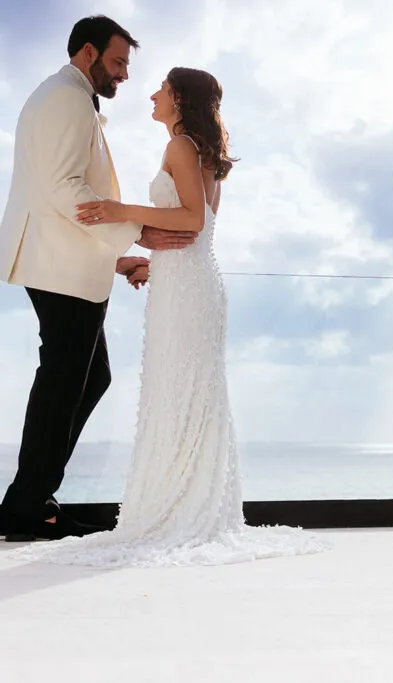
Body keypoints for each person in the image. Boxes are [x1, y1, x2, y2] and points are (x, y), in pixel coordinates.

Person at [11, 65, 329, 567]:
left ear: (179, 97)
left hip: (188, 291)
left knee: (179, 393)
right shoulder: (197, 151)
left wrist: (121, 211)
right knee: (184, 394)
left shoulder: (182, 147)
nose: (152, 94)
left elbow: (192, 222)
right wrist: (146, 260)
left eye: (161, 87)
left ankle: (178, 508)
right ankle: (185, 504)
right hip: (188, 281)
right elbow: (191, 241)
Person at [0, 15, 197, 543]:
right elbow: (65, 188)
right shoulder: (66, 98)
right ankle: (27, 507)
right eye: (117, 62)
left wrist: (113, 259)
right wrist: (137, 236)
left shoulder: (61, 96)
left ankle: (30, 499)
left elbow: (53, 195)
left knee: (85, 377)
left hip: (64, 261)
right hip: (59, 268)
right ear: (87, 53)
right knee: (65, 380)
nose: (125, 76)